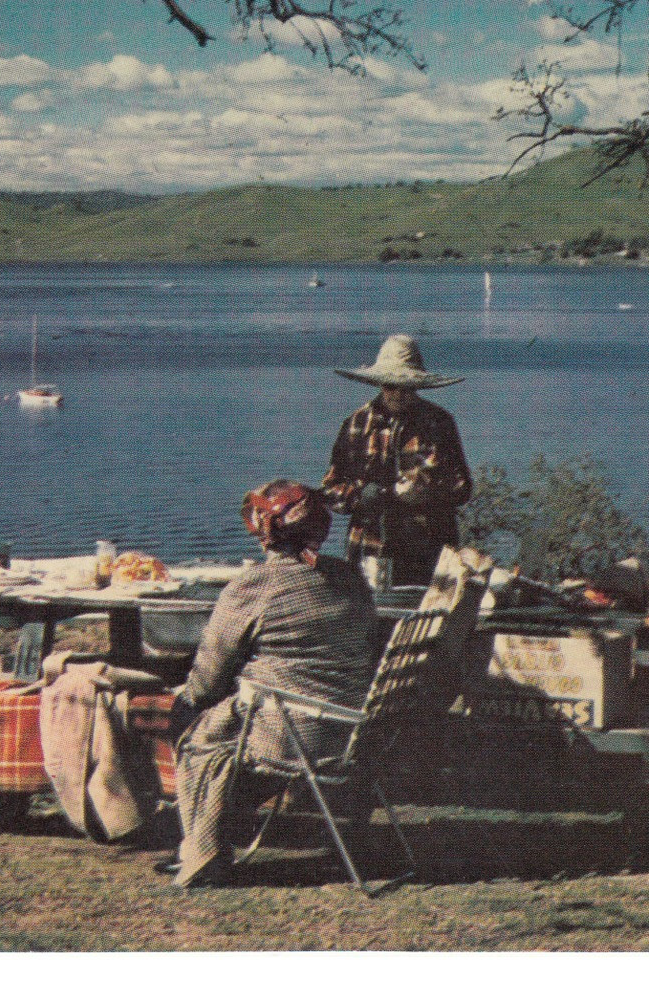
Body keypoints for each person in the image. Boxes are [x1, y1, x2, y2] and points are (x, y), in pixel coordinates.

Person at [165, 480, 378, 888]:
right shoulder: (348, 577)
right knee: (222, 716)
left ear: (263, 530)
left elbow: (209, 674)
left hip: (289, 732)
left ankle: (203, 849)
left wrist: (190, 698)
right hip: (350, 729)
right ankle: (214, 836)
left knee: (193, 725)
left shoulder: (255, 585)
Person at [323, 334, 474, 588]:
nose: (398, 394)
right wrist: (362, 496)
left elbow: (463, 488)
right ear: (380, 384)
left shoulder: (439, 423)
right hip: (370, 548)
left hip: (428, 549)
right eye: (390, 386)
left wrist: (429, 493)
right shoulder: (356, 424)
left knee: (428, 619)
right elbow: (330, 490)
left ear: (417, 387)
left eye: (407, 387)